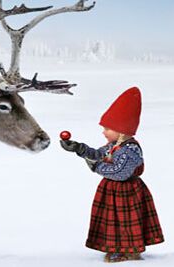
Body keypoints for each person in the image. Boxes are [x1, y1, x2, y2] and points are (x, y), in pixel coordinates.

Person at [60, 87, 164, 263]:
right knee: (112, 221)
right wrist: (80, 148)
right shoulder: (114, 145)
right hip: (111, 191)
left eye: (108, 128)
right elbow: (98, 154)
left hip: (127, 193)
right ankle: (115, 246)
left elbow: (120, 172)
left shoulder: (130, 149)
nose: (104, 132)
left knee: (126, 221)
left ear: (122, 130)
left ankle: (130, 250)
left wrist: (96, 167)